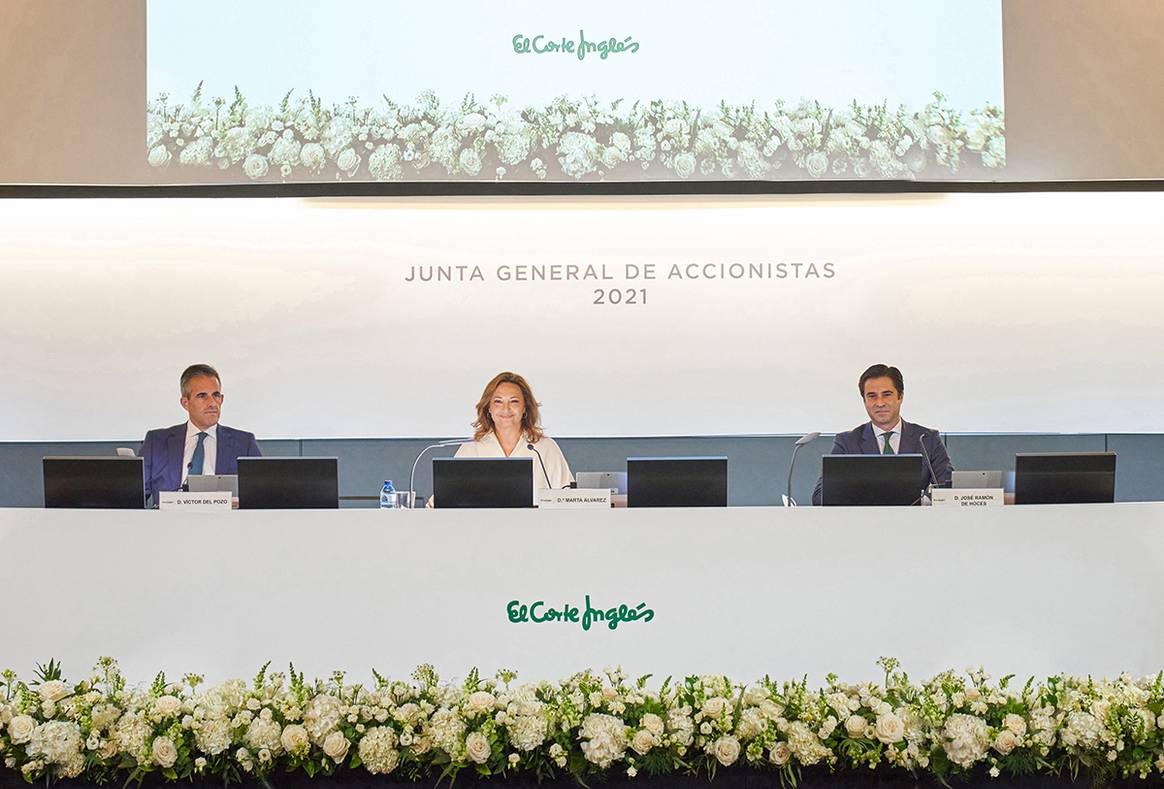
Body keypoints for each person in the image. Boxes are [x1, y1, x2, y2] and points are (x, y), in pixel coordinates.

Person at [811, 364, 953, 505]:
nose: (880, 403)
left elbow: (948, 490)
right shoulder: (847, 442)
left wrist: (922, 501)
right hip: (864, 524)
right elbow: (819, 497)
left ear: (900, 397)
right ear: (864, 401)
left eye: (886, 395)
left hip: (914, 524)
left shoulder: (927, 439)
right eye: (872, 396)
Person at [430, 372, 573, 506]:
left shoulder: (544, 447)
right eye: (498, 402)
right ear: (488, 408)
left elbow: (568, 498)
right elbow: (443, 501)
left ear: (525, 408)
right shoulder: (471, 448)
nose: (506, 409)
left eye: (514, 402)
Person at [140, 364, 261, 505]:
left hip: (225, 523)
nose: (212, 403)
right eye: (202, 396)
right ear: (185, 403)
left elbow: (260, 496)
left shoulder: (244, 443)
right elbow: (134, 496)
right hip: (169, 523)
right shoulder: (157, 442)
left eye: (216, 395)